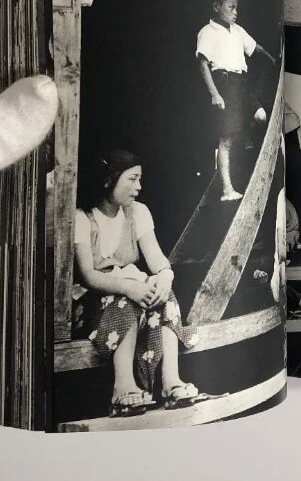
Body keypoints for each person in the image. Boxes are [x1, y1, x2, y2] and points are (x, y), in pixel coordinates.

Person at [74, 150, 205, 417]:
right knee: (125, 300)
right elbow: (89, 275)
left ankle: (171, 382)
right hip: (94, 302)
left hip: (132, 293)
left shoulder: (138, 213)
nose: (139, 187)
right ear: (109, 180)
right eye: (132, 179)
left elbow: (157, 260)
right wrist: (129, 287)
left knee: (163, 295)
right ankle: (122, 387)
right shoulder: (82, 217)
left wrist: (165, 277)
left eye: (140, 179)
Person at [196, 0, 276, 201]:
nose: (235, 12)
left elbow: (256, 48)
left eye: (237, 8)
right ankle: (227, 190)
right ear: (216, 7)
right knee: (226, 138)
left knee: (261, 116)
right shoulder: (207, 32)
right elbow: (203, 64)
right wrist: (215, 93)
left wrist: (273, 59)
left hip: (242, 83)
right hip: (224, 83)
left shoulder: (238, 30)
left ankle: (245, 135)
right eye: (231, 7)